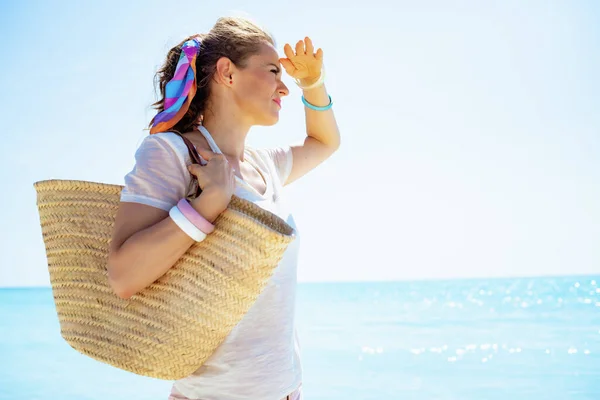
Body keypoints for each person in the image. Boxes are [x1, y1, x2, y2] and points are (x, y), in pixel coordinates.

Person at [106, 16, 341, 400]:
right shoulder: (171, 152)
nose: (284, 86)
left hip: (286, 390)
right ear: (227, 73)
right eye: (272, 71)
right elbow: (123, 276)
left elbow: (324, 141)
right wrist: (206, 205)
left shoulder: (264, 164)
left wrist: (312, 84)